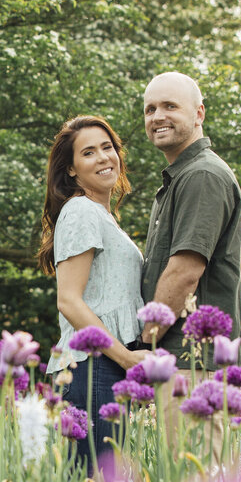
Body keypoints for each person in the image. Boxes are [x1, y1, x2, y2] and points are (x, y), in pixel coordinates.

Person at [38, 116, 147, 464]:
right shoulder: (81, 211)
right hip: (92, 365)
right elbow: (69, 301)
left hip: (102, 366)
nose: (103, 157)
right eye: (89, 152)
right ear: (71, 169)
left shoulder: (101, 215)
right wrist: (127, 358)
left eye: (107, 147)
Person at [139, 72, 241, 370]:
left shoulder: (202, 176)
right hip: (180, 359)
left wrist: (148, 342)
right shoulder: (182, 177)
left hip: (193, 361)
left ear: (199, 114)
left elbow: (184, 272)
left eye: (170, 106)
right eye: (150, 109)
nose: (158, 117)